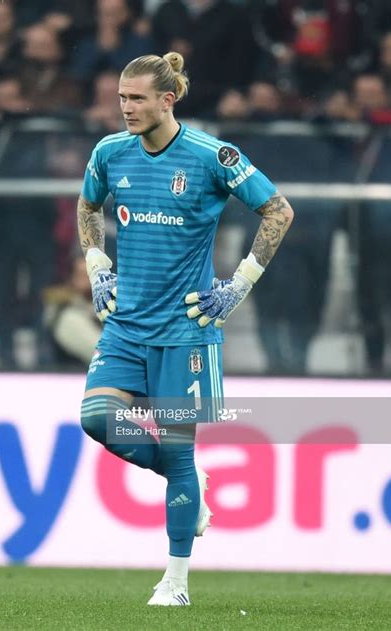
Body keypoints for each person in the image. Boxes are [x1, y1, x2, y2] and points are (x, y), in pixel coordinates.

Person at [78, 52, 294, 605]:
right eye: (122, 97)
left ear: (167, 100)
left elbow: (278, 211)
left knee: (177, 453)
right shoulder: (109, 152)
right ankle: (189, 486)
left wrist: (239, 284)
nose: (125, 107)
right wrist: (98, 265)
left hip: (186, 329)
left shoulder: (210, 156)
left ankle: (174, 583)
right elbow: (87, 207)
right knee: (98, 419)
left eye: (137, 98)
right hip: (125, 325)